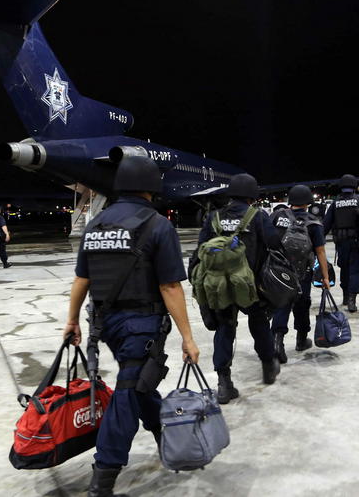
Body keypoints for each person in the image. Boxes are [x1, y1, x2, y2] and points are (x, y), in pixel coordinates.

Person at [63, 156, 200, 497]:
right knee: (127, 394)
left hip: (105, 325)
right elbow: (170, 286)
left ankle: (165, 436)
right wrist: (188, 337)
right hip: (141, 325)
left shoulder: (96, 225)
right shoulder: (157, 225)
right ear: (152, 187)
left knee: (139, 384)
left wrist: (72, 320)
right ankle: (104, 474)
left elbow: (82, 279)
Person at [196, 173, 282, 404]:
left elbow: (199, 251)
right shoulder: (258, 216)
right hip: (249, 286)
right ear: (252, 196)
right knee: (259, 323)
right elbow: (275, 245)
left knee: (224, 328)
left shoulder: (214, 217)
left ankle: (224, 383)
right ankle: (268, 366)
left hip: (219, 286)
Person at [270, 185, 330, 363]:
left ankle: (277, 342)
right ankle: (301, 340)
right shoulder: (313, 222)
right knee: (302, 304)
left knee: (282, 304)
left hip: (278, 271)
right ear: (308, 203)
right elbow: (320, 252)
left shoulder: (277, 216)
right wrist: (325, 276)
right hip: (302, 272)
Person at [323, 174, 359, 312]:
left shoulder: (335, 203)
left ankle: (345, 296)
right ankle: (352, 301)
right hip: (357, 242)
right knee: (355, 270)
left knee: (344, 268)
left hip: (341, 242)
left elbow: (326, 224)